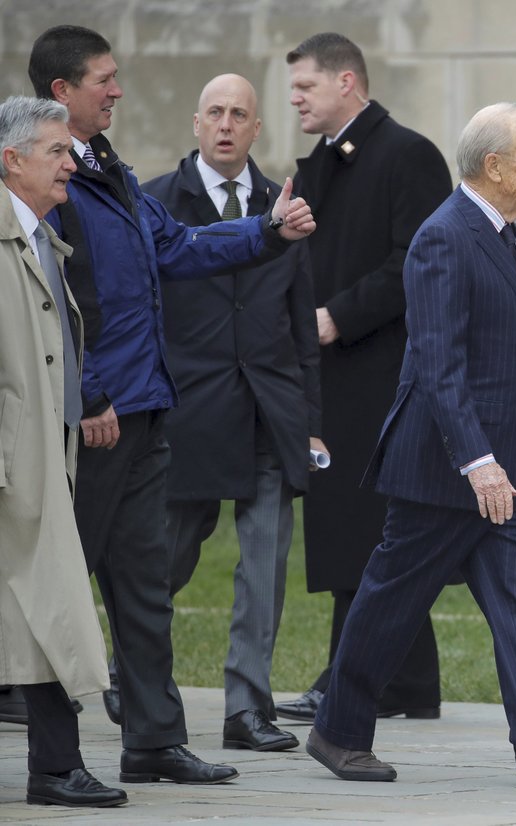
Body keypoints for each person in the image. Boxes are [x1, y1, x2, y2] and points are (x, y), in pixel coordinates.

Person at [305, 103, 516, 789]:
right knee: (390, 603)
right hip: (445, 471)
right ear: (495, 166)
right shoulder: (444, 237)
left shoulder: (512, 236)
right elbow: (438, 364)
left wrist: (507, 464)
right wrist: (477, 462)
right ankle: (337, 731)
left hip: (513, 472)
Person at [28, 24, 315, 785]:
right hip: (96, 422)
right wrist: (88, 395)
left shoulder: (107, 172)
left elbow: (179, 248)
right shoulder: (48, 184)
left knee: (145, 589)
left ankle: (153, 742)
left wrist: (268, 232)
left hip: (147, 412)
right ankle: (53, 764)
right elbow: (55, 306)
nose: (118, 89)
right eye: (105, 79)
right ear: (63, 92)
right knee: (64, 593)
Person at [141, 73, 324, 753]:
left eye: (238, 114)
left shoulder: (288, 205)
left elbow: (301, 321)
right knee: (165, 557)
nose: (225, 123)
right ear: (196, 123)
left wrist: (310, 417)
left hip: (270, 410)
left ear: (255, 130)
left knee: (264, 566)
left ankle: (247, 709)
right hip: (187, 410)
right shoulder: (158, 201)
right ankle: (131, 670)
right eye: (214, 112)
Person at [275, 31, 450, 724]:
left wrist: (336, 318)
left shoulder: (409, 155)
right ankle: (405, 683)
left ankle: (354, 674)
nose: (295, 99)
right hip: (332, 377)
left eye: (305, 87)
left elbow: (419, 259)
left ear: (347, 82)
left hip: (382, 374)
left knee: (367, 528)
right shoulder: (323, 161)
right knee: (360, 530)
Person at [0, 94, 125, 808]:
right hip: (15, 467)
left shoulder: (45, 233)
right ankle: (55, 765)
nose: (70, 162)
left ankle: (55, 764)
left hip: (43, 462)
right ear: (12, 161)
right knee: (43, 608)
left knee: (44, 609)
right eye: (55, 150)